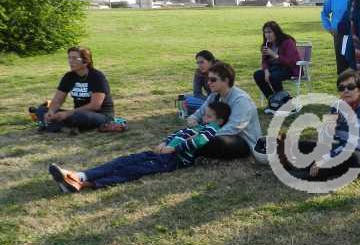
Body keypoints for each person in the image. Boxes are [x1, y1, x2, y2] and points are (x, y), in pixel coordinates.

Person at [48, 101, 231, 192]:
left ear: (219, 121)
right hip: (162, 153)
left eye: (209, 116)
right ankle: (80, 175)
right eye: (205, 115)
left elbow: (199, 142)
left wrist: (174, 149)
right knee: (123, 161)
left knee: (132, 170)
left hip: (172, 159)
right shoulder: (199, 126)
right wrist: (165, 142)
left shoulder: (211, 129)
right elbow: (179, 133)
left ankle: (84, 183)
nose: (204, 118)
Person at [279, 69, 360, 181]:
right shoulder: (337, 106)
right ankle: (305, 166)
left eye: (350, 87)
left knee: (352, 158)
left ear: (359, 90)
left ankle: (307, 173)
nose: (346, 90)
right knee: (299, 146)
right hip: (336, 148)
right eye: (341, 88)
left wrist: (326, 158)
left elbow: (354, 144)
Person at [188, 61, 262, 159]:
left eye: (213, 80)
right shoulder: (215, 95)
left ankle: (191, 151)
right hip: (220, 134)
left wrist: (204, 135)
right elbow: (199, 113)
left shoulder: (241, 100)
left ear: (226, 80)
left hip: (243, 140)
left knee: (214, 142)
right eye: (208, 79)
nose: (208, 83)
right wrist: (193, 119)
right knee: (188, 134)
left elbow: (234, 128)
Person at [34, 46, 115, 133]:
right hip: (76, 113)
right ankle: (64, 127)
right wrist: (51, 111)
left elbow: (95, 106)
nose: (70, 61)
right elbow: (58, 100)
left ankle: (55, 126)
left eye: (75, 58)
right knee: (41, 110)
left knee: (79, 116)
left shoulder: (97, 76)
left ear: (85, 61)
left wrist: (67, 113)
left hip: (100, 115)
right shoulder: (69, 76)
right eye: (69, 58)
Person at [252, 21, 301, 106]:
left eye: (269, 32)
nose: (267, 35)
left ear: (276, 32)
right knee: (258, 75)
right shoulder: (267, 44)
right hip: (274, 68)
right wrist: (266, 70)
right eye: (265, 32)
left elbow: (290, 62)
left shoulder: (287, 41)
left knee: (273, 76)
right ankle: (273, 100)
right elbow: (264, 61)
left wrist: (274, 55)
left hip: (289, 69)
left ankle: (284, 100)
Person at [320, 0, 352, 74]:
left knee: (355, 63)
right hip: (340, 35)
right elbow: (324, 14)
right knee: (342, 63)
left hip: (356, 34)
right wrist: (329, 28)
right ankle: (343, 82)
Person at [182, 50, 215, 114]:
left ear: (210, 62)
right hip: (208, 100)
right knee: (183, 98)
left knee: (187, 102)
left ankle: (202, 111)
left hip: (221, 102)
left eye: (202, 62)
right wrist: (207, 100)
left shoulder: (219, 71)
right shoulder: (199, 72)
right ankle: (204, 111)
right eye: (198, 63)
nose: (199, 65)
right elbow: (197, 92)